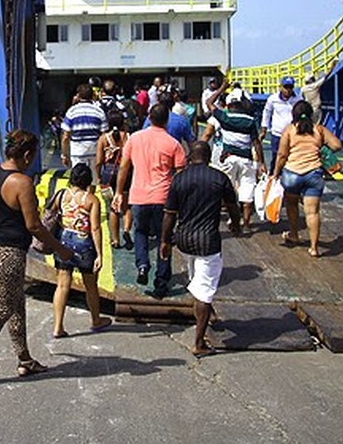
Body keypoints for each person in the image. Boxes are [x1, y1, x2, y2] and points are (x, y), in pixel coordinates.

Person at [0, 130, 73, 387]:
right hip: (8, 255)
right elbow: (34, 226)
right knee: (1, 310)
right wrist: (59, 248)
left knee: (16, 304)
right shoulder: (22, 183)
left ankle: (25, 360)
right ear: (27, 155)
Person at [160, 141, 241, 357]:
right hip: (208, 242)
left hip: (184, 240)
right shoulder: (219, 178)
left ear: (189, 158)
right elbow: (233, 207)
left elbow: (169, 214)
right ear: (208, 158)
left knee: (197, 281)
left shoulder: (179, 179)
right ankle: (199, 343)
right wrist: (236, 225)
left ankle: (207, 313)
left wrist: (165, 242)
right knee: (204, 291)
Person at [113, 103, 186, 299]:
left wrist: (119, 192)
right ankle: (161, 283)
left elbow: (124, 168)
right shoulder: (173, 144)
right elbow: (180, 175)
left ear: (149, 118)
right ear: (166, 121)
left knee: (141, 233)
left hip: (139, 196)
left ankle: (143, 266)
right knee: (165, 239)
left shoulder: (135, 138)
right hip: (163, 198)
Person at [271, 101, 343, 258]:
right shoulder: (319, 130)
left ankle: (294, 234)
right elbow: (337, 145)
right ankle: (314, 247)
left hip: (292, 174)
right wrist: (322, 149)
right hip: (313, 174)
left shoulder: (289, 130)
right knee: (312, 212)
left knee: (291, 205)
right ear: (311, 114)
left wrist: (276, 173)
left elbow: (282, 155)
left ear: (293, 115)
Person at [52, 163, 113, 338]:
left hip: (64, 240)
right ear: (87, 180)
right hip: (84, 243)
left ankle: (57, 327)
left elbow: (52, 215)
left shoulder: (61, 195)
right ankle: (96, 320)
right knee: (90, 286)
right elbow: (95, 228)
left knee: (62, 285)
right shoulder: (91, 199)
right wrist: (100, 254)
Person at [202, 83, 265, 231]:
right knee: (247, 191)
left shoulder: (224, 117)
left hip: (228, 159)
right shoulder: (250, 121)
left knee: (227, 191)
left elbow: (208, 103)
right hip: (247, 160)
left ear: (229, 104)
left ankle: (232, 219)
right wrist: (260, 163)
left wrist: (222, 88)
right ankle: (247, 223)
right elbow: (256, 143)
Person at [96, 109, 132, 249]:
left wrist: (99, 176)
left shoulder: (104, 138)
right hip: (126, 173)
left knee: (113, 208)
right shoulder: (129, 137)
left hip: (109, 174)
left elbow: (99, 161)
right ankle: (127, 230)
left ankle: (115, 240)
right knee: (127, 206)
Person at [61, 83, 108, 175]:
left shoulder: (71, 112)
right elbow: (104, 135)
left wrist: (64, 155)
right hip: (95, 151)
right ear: (92, 95)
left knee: (78, 178)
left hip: (78, 152)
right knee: (93, 180)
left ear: (78, 96)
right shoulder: (99, 111)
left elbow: (66, 136)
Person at [260, 76, 301, 172]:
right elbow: (267, 114)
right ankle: (273, 175)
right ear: (281, 87)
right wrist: (263, 130)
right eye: (286, 87)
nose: (288, 90)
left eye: (290, 87)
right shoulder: (273, 99)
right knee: (276, 156)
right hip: (277, 134)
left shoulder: (298, 99)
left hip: (293, 134)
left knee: (291, 157)